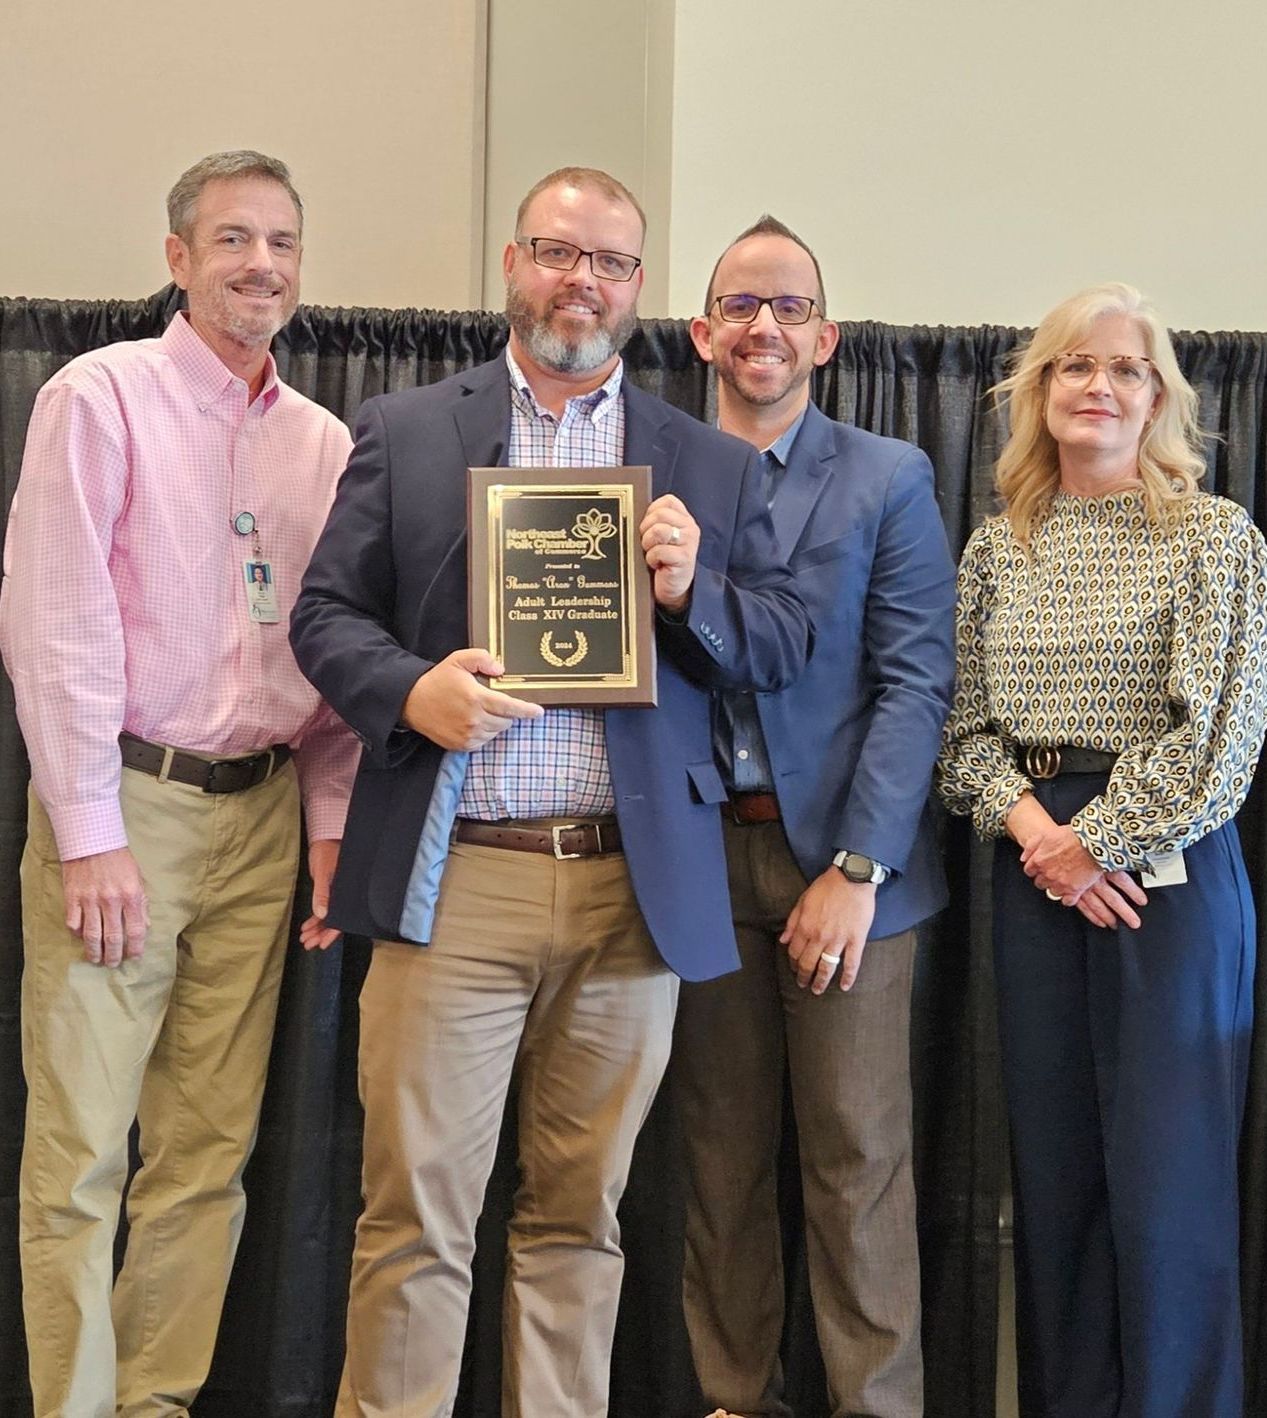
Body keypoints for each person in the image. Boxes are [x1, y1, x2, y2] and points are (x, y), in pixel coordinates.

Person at [289, 166, 811, 1418]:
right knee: (414, 1210)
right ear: (514, 263)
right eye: (558, 252)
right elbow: (322, 615)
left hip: (631, 893)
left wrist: (695, 598)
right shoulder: (410, 428)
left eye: (612, 263)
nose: (583, 281)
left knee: (582, 1218)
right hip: (456, 872)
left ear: (639, 289)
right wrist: (411, 690)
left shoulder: (707, 461)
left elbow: (786, 643)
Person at [0, 150, 358, 1418]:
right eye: (232, 239)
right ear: (177, 259)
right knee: (82, 1155)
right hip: (127, 811)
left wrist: (326, 829)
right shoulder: (101, 398)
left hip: (262, 816)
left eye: (282, 242)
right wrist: (88, 831)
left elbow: (327, 646)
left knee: (206, 1157)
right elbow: (56, 623)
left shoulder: (320, 442)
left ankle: (155, 1403)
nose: (261, 263)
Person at [937, 282, 1267, 1418]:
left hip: (1165, 885)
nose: (1098, 385)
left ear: (1161, 397)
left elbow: (1219, 744)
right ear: (1037, 392)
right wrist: (1043, 841)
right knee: (1058, 1181)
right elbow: (962, 735)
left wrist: (1096, 844)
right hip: (1034, 872)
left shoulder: (1214, 537)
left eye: (1125, 368)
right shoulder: (995, 547)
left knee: (1167, 1192)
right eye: (1073, 366)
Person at [671, 216, 955, 1418]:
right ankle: (736, 1399)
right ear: (700, 331)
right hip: (692, 858)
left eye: (788, 307)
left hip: (847, 868)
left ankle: (874, 1405)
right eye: (740, 304)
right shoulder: (653, 472)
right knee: (716, 1168)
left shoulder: (889, 476)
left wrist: (859, 865)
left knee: (855, 1164)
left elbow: (916, 682)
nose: (763, 327)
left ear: (825, 336)